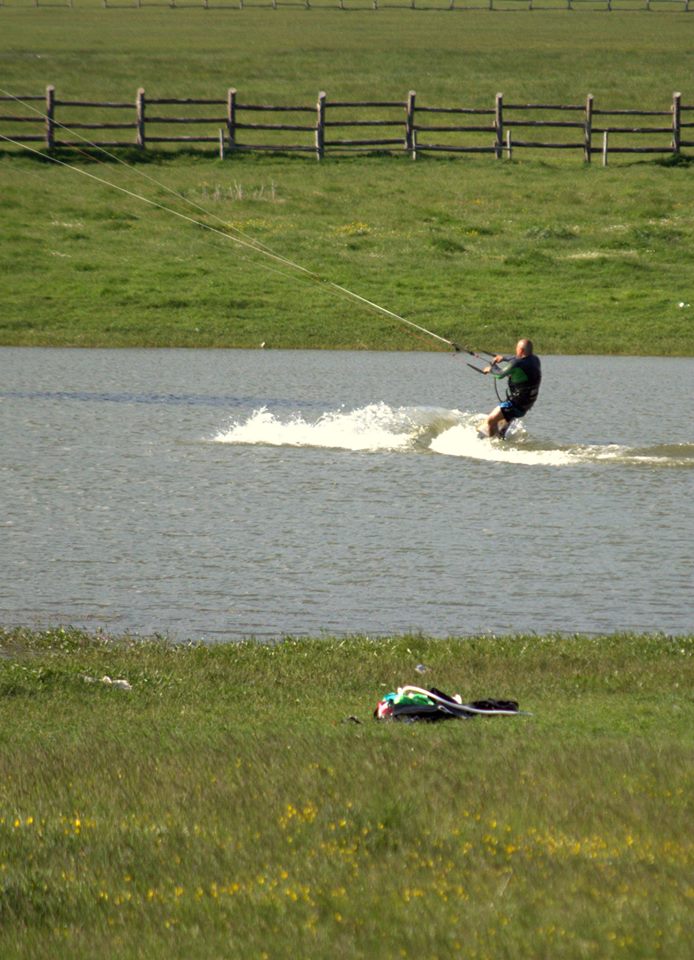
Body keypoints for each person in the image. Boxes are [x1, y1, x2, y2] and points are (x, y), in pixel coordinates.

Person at [482, 338, 541, 438]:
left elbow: (499, 374)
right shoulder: (535, 359)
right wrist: (503, 358)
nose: (515, 350)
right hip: (527, 404)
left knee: (490, 420)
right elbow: (516, 358)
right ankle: (500, 437)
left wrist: (491, 368)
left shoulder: (517, 363)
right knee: (501, 430)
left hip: (515, 404)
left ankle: (491, 444)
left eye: (517, 348)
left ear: (521, 350)